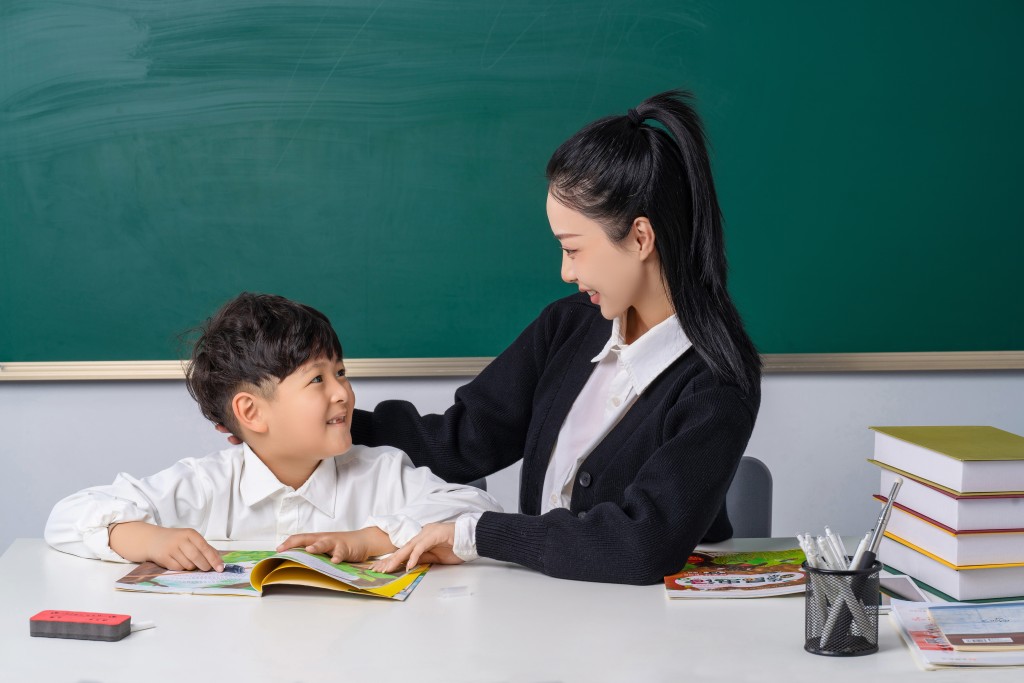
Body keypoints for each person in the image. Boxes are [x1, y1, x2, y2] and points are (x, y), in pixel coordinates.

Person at [231, 89, 760, 585]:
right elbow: (462, 440)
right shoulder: (569, 325)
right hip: (541, 605)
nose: (565, 272)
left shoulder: (719, 381)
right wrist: (316, 423)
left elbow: (643, 544)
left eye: (573, 249)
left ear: (640, 237)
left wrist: (476, 534)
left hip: (648, 627)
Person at [45, 293, 501, 571]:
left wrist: (368, 540)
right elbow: (67, 517)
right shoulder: (207, 484)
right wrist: (148, 539)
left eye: (341, 372)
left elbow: (477, 507)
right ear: (251, 413)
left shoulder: (379, 471)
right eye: (317, 379)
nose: (342, 393)